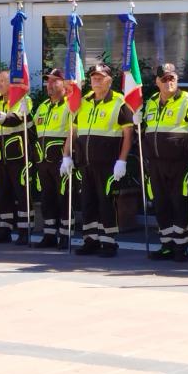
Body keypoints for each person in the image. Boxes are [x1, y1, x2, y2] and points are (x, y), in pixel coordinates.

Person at [62, 63, 134, 257]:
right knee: (87, 202)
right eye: (94, 77)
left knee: (105, 202)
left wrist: (122, 160)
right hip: (85, 162)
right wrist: (66, 155)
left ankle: (109, 243)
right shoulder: (83, 101)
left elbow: (128, 133)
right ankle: (90, 240)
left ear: (109, 80)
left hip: (108, 164)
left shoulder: (120, 102)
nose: (96, 80)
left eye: (100, 77)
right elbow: (73, 130)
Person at [141, 64, 188, 262]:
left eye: (172, 78)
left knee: (179, 203)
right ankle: (166, 245)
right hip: (156, 163)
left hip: (180, 164)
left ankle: (181, 247)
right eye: (165, 79)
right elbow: (144, 130)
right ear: (157, 82)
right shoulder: (150, 102)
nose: (169, 82)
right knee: (161, 204)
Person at [0, 70, 35, 245]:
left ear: (12, 83)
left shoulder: (24, 100)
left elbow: (14, 119)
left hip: (19, 157)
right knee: (1, 194)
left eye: (3, 81)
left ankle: (25, 231)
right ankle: (3, 230)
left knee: (22, 194)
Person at [33, 68, 74, 249]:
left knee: (64, 198)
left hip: (61, 161)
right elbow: (34, 130)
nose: (49, 84)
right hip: (43, 162)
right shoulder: (43, 106)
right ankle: (49, 235)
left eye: (54, 81)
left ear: (64, 84)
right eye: (48, 81)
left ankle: (66, 235)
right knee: (47, 198)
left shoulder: (69, 105)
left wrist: (67, 156)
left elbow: (73, 132)